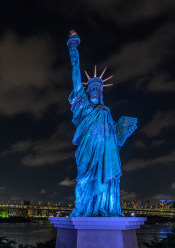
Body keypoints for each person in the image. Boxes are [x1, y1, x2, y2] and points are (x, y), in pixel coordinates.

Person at [67, 30, 136, 217]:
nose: (95, 90)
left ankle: (103, 207)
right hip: (87, 150)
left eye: (98, 87)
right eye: (92, 87)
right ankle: (82, 207)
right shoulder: (83, 106)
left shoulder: (105, 111)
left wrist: (125, 131)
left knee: (106, 178)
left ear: (102, 91)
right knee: (84, 179)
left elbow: (113, 137)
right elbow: (75, 77)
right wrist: (73, 50)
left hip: (105, 153)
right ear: (87, 91)